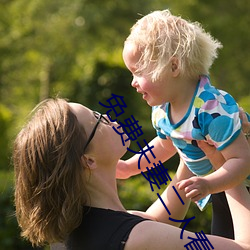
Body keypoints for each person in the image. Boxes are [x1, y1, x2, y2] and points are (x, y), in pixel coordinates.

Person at [13, 98, 250, 250]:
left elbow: (158, 220)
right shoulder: (137, 238)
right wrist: (227, 165)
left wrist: (190, 138)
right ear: (88, 160)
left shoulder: (79, 232)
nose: (109, 118)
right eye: (98, 120)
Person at [120, 9, 250, 239]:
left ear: (173, 67)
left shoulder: (210, 109)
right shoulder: (162, 110)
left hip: (239, 186)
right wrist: (130, 167)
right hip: (220, 189)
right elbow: (165, 145)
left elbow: (242, 160)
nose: (133, 82)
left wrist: (209, 184)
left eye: (138, 72)